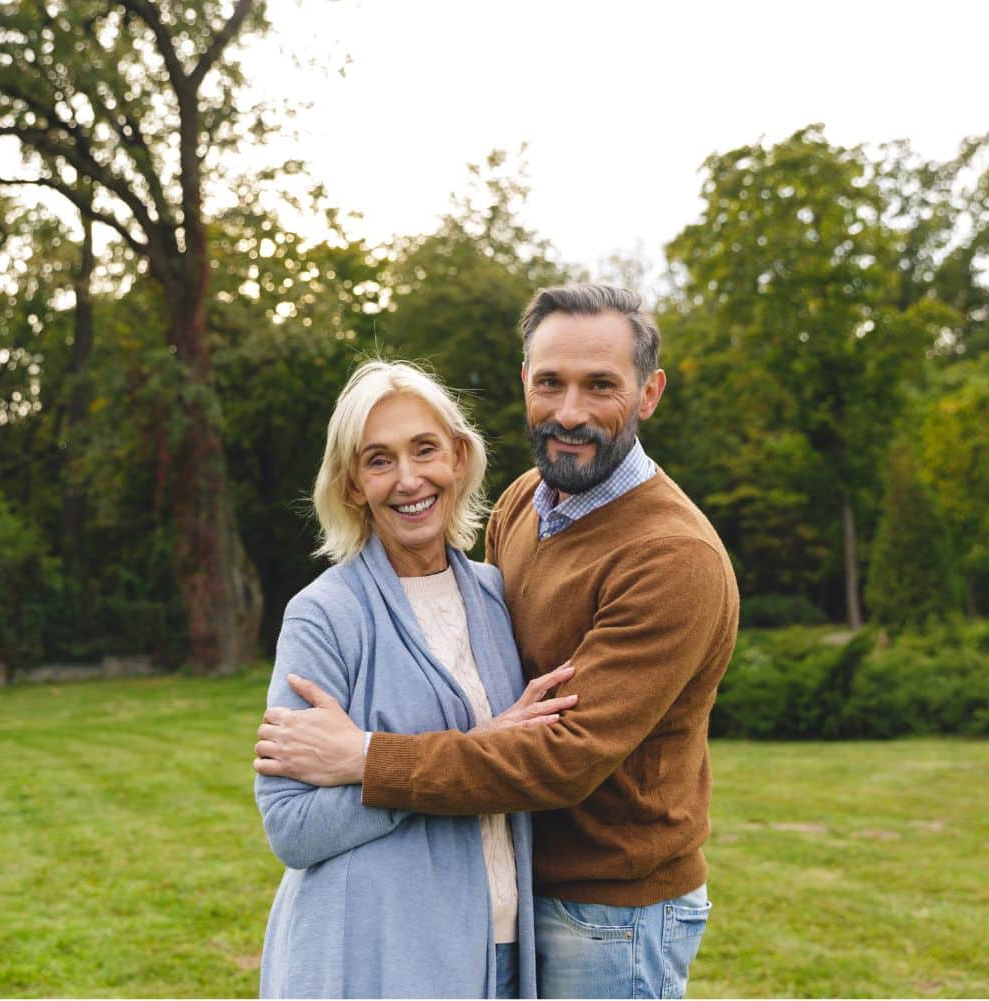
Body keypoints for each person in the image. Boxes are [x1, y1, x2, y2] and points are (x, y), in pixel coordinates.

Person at [254, 285, 740, 1000]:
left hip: (611, 909)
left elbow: (558, 756)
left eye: (600, 384)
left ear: (648, 393)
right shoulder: (524, 505)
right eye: (551, 382)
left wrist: (364, 757)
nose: (569, 411)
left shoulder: (672, 558)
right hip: (489, 908)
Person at [254, 359, 576, 999]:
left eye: (424, 450)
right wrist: (479, 748)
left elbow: (519, 765)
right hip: (377, 957)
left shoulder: (492, 595)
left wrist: (367, 760)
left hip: (501, 950)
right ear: (352, 485)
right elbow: (292, 828)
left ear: (458, 458)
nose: (408, 480)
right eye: (379, 460)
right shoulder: (325, 614)